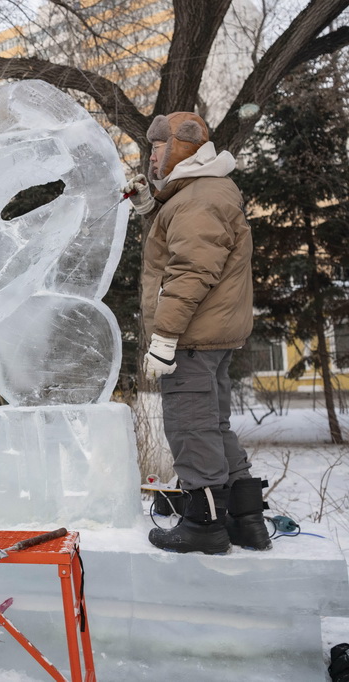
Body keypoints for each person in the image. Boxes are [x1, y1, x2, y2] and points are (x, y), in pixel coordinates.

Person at [124, 111, 271, 555]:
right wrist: (148, 205)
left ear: (181, 148)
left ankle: (204, 525)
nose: (152, 158)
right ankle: (246, 520)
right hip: (211, 335)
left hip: (191, 337)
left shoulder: (198, 197)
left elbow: (190, 270)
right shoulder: (199, 192)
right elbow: (185, 240)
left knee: (190, 427)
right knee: (213, 425)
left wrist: (165, 336)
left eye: (157, 148)